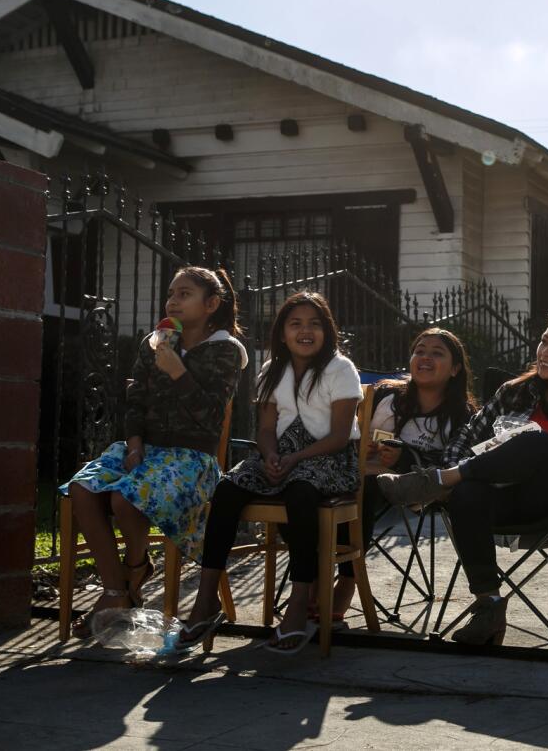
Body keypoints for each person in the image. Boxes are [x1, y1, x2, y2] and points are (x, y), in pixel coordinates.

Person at [377, 308, 548, 645]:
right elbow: (466, 436)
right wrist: (462, 464)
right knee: (468, 492)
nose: (545, 351)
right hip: (502, 496)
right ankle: (489, 605)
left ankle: (435, 482)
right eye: (544, 341)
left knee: (538, 441)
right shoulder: (514, 391)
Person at [61, 266, 247, 639]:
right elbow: (135, 399)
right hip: (146, 448)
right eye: (171, 293)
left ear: (211, 304)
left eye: (185, 294)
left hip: (191, 457)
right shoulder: (155, 342)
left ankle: (133, 571)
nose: (173, 301)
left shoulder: (226, 350)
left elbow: (211, 415)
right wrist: (134, 442)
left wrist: (178, 371)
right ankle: (118, 590)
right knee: (81, 489)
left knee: (124, 498)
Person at [176, 292, 363, 655]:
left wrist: (295, 460)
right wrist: (272, 455)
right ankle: (206, 598)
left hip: (329, 457)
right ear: (281, 333)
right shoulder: (270, 369)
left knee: (301, 493)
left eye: (314, 324)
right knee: (228, 489)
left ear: (328, 331)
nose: (305, 331)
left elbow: (340, 436)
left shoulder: (341, 369)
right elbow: (265, 428)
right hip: (281, 456)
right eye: (296, 324)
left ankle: (299, 606)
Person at [315, 328, 478, 629]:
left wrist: (403, 459)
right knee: (310, 489)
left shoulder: (462, 415)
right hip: (354, 473)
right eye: (420, 350)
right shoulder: (384, 395)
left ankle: (348, 580)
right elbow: (343, 430)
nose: (425, 357)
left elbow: (452, 465)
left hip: (410, 491)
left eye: (437, 353)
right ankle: (313, 578)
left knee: (364, 489)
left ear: (456, 369)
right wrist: (359, 444)